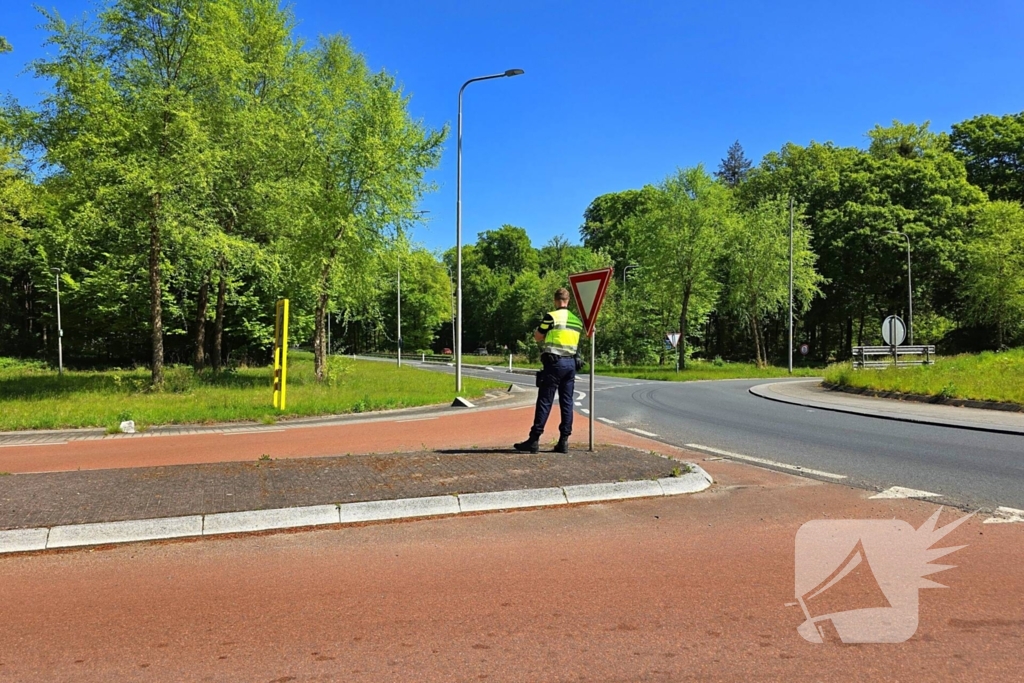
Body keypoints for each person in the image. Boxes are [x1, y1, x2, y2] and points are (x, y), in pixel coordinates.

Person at [514, 287, 584, 454]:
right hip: (571, 364)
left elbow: (537, 336)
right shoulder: (577, 321)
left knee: (545, 401)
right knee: (567, 402)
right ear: (568, 301)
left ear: (555, 300)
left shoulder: (551, 316)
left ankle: (534, 439)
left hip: (554, 363)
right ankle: (564, 441)